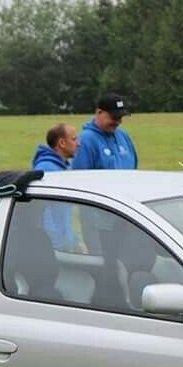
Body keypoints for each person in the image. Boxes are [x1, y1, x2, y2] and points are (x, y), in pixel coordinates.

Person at [31, 123, 80, 251]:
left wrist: (74, 240)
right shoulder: (46, 170)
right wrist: (56, 243)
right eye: (74, 139)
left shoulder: (63, 168)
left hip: (64, 244)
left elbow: (65, 213)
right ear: (62, 143)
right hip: (55, 246)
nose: (78, 144)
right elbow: (45, 211)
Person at [70, 93, 138, 170]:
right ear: (99, 112)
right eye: (114, 117)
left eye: (120, 117)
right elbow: (80, 174)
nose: (118, 122)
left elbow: (134, 168)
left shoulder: (123, 135)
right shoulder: (86, 140)